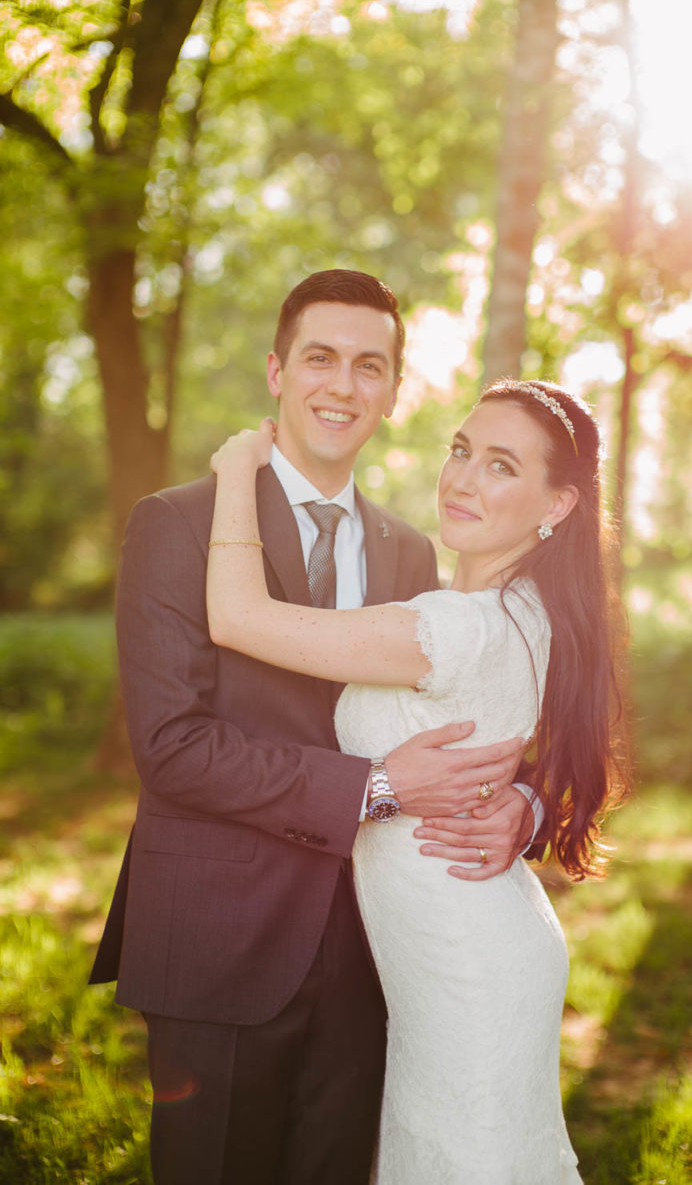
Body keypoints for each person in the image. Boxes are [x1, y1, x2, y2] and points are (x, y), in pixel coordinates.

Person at [89, 270, 537, 1185]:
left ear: (394, 391)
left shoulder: (413, 551)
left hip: (375, 946)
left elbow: (483, 693)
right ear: (277, 373)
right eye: (320, 358)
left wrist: (522, 799)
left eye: (369, 365)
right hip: (221, 937)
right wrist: (374, 789)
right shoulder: (177, 525)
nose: (343, 384)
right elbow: (171, 747)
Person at [205, 377, 626, 1185]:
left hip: (465, 965)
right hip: (465, 952)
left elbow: (236, 618)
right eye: (462, 450)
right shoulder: (532, 609)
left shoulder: (456, 629)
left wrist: (234, 471)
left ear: (558, 505)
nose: (462, 478)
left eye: (501, 466)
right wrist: (532, 800)